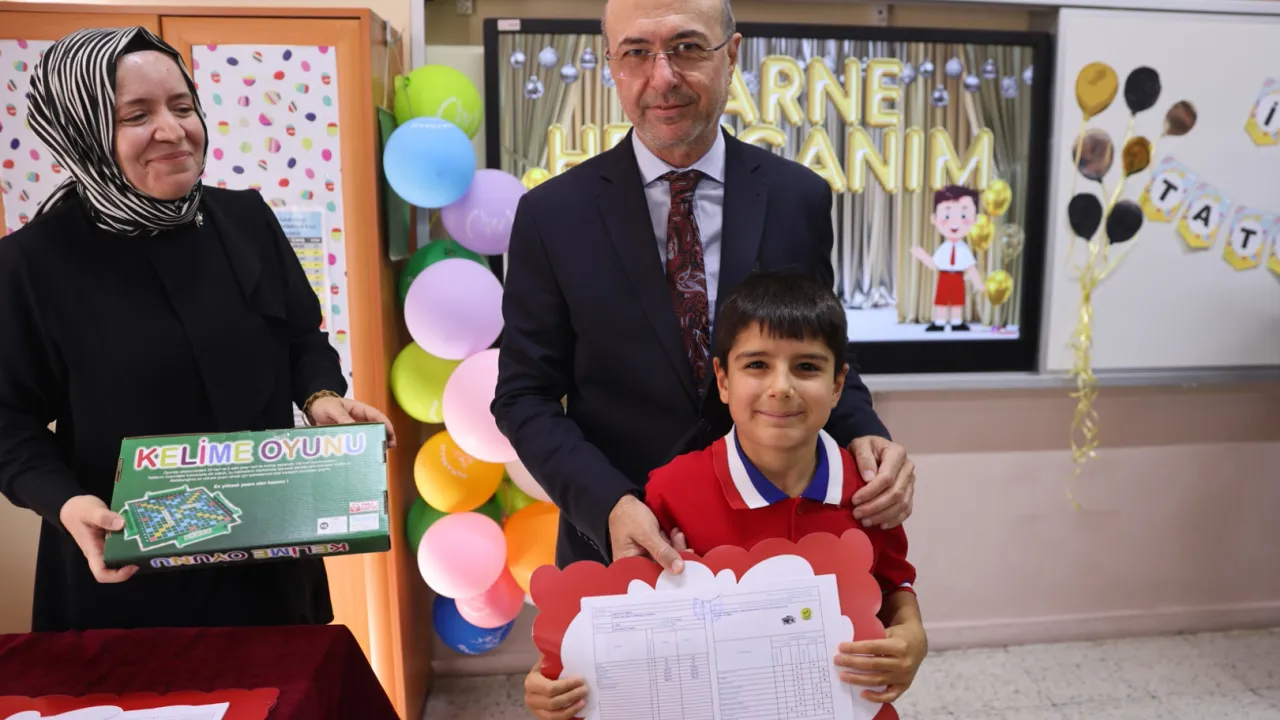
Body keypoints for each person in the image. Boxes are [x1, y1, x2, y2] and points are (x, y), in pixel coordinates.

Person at [493, 0, 918, 581]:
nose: (663, 76)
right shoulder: (553, 216)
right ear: (610, 63)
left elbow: (816, 350)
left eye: (687, 48)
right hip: (624, 547)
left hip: (775, 540)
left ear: (732, 54)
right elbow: (524, 397)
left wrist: (866, 432)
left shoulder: (797, 198)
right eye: (636, 53)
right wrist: (609, 505)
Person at [0, 26, 395, 632]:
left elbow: (299, 336)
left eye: (182, 107)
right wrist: (66, 502)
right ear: (81, 130)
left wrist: (320, 396)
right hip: (127, 575)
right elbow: (9, 422)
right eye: (137, 115)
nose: (173, 129)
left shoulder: (244, 218)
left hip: (269, 559)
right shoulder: (33, 263)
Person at [524, 273, 928, 719]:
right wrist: (555, 674)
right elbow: (625, 618)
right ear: (722, 379)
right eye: (756, 365)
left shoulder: (871, 489)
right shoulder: (672, 490)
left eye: (807, 367)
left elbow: (894, 582)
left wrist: (913, 633)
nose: (781, 387)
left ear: (838, 384)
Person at [910, 185, 986, 332]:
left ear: (975, 220)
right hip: (944, 277)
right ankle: (939, 323)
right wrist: (922, 256)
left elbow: (970, 268)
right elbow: (934, 265)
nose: (955, 223)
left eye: (963, 216)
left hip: (958, 277)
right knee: (941, 300)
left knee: (957, 301)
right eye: (947, 216)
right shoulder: (943, 248)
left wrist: (978, 283)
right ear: (934, 219)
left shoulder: (964, 249)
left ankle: (957, 322)